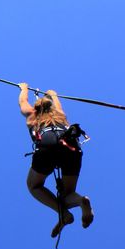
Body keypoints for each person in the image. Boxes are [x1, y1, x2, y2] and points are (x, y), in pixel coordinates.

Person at [18, 82, 94, 237]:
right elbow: (56, 101)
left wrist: (23, 88)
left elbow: (22, 102)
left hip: (48, 145)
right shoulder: (59, 114)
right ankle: (80, 201)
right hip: (71, 145)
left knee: (34, 185)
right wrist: (52, 94)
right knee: (68, 193)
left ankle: (63, 213)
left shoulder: (32, 115)